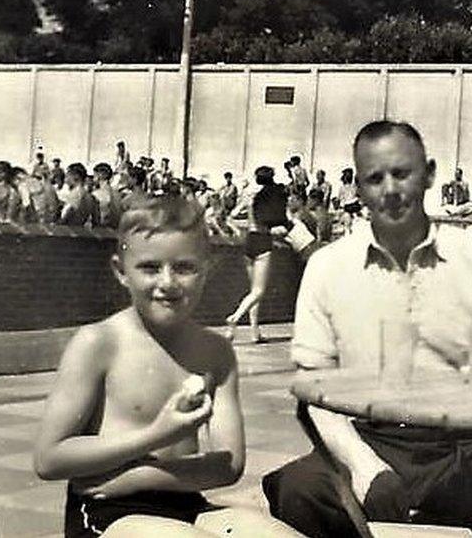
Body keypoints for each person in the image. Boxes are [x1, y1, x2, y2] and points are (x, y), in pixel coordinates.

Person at [261, 120, 472, 538]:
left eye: (402, 173)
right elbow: (313, 390)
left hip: (470, 447)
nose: (391, 189)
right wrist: (363, 465)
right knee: (300, 490)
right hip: (369, 439)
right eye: (375, 179)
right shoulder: (329, 267)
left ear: (429, 174)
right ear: (358, 189)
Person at [33, 196, 300, 538]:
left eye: (185, 267)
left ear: (207, 268)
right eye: (150, 267)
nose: (168, 282)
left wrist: (139, 477)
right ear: (121, 271)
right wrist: (156, 434)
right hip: (106, 513)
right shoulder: (99, 344)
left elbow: (228, 463)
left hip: (181, 499)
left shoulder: (215, 352)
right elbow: (49, 458)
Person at [225, 166, 289, 344]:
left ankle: (255, 332)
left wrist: (239, 229)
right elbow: (279, 223)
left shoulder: (248, 195)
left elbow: (231, 216)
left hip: (249, 241)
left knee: (253, 292)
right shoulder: (270, 196)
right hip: (263, 241)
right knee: (258, 291)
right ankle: (235, 318)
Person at [92, 163, 123, 228]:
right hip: (115, 228)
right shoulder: (117, 193)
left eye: (94, 175)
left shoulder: (96, 194)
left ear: (101, 175)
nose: (93, 179)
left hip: (101, 228)